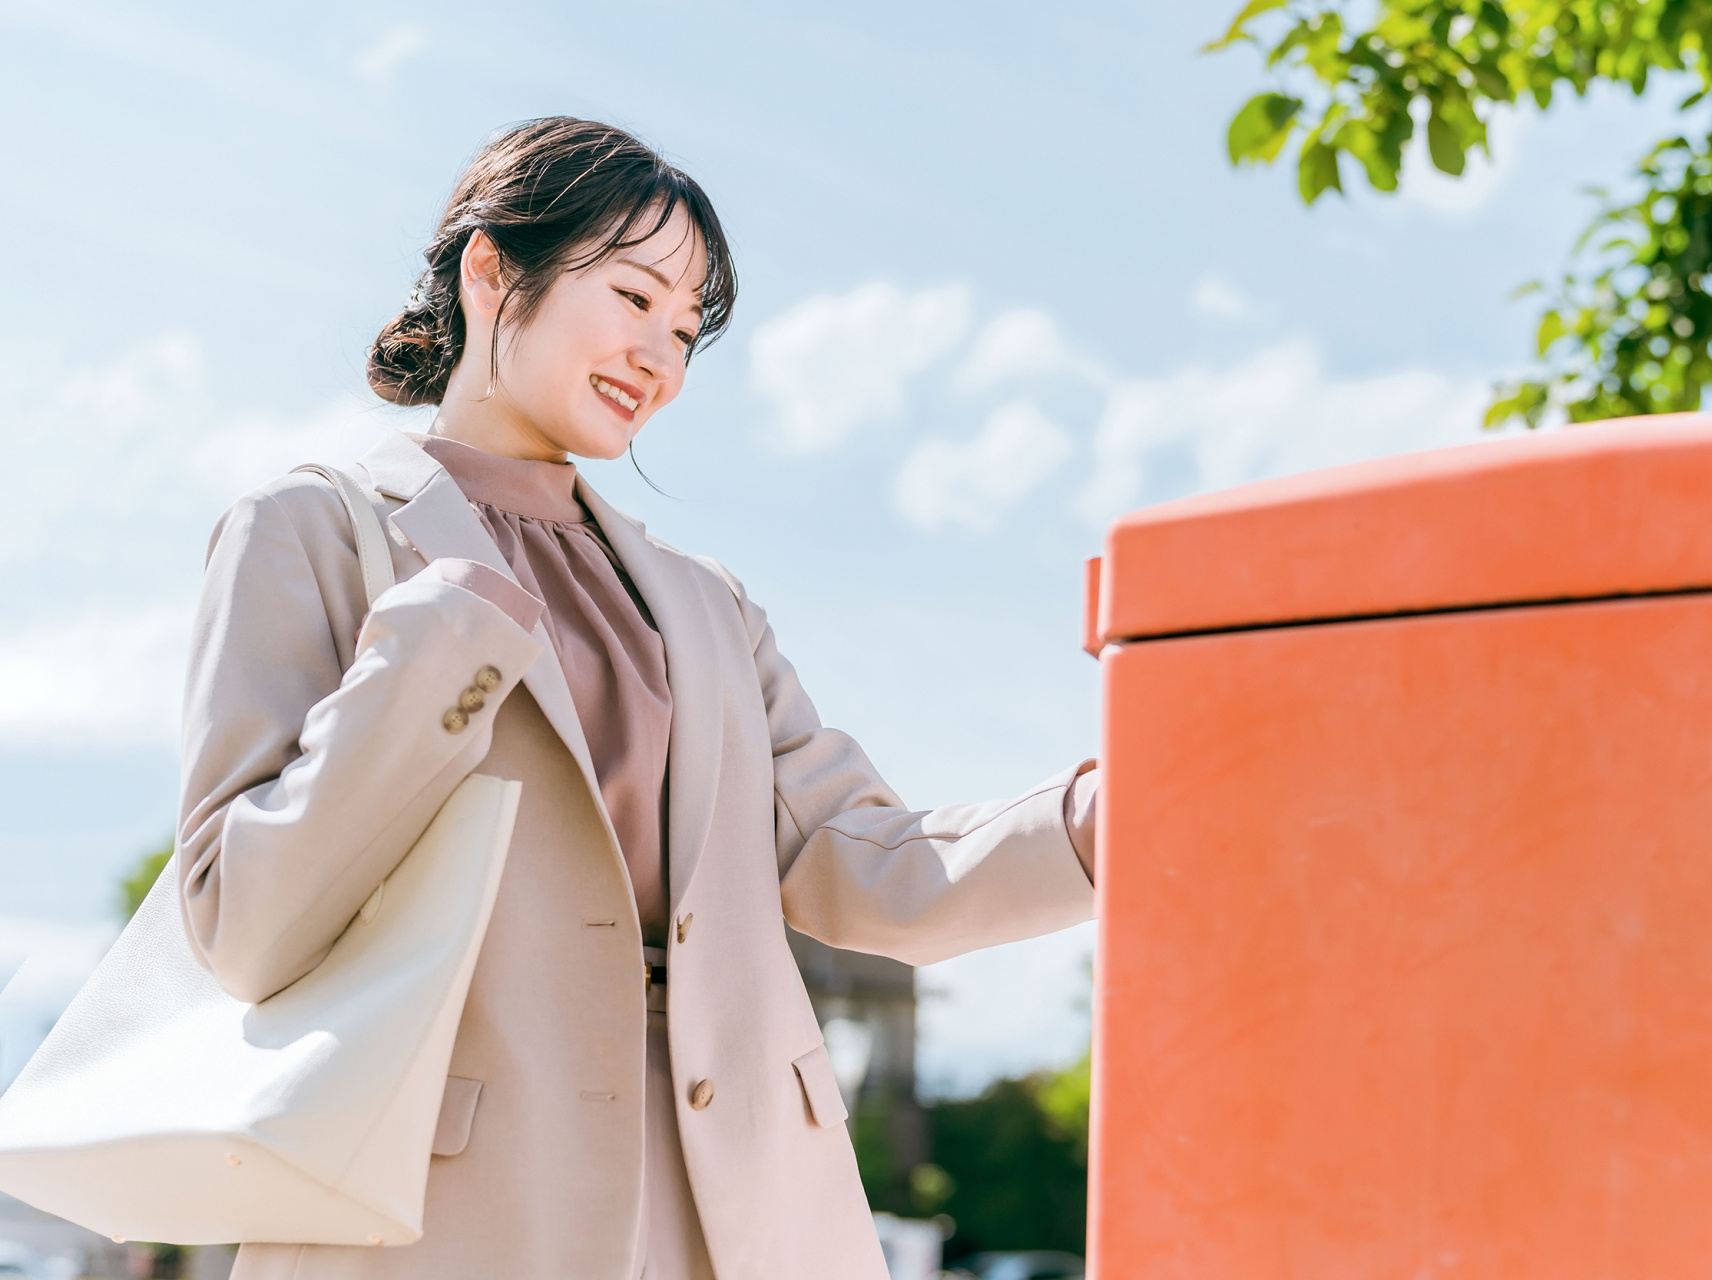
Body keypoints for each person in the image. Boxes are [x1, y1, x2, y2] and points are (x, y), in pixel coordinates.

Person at [175, 116, 1100, 1280]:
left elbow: (868, 859)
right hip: (448, 1214)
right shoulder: (310, 531)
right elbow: (240, 923)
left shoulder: (703, 604)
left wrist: (1102, 819)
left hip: (745, 1211)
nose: (661, 356)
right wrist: (427, 657)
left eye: (685, 328)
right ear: (493, 268)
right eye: (633, 296)